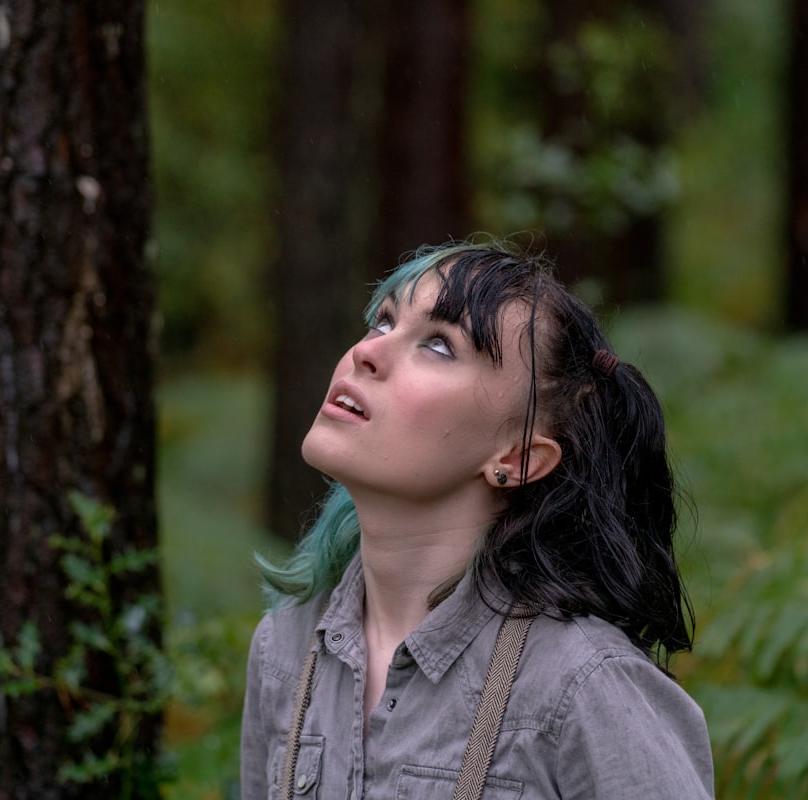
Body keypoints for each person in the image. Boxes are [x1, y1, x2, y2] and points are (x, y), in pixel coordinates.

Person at [241, 240, 715, 799]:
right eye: (383, 321)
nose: (368, 352)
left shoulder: (584, 686)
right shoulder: (286, 647)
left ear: (515, 460)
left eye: (439, 345)